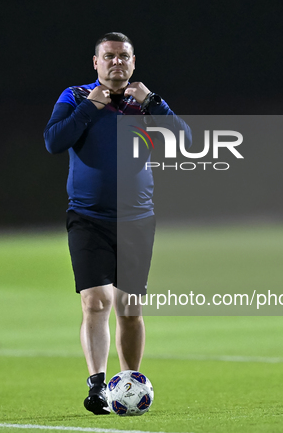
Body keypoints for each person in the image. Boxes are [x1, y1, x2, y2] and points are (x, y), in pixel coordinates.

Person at [44, 32, 183, 415]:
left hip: (137, 219)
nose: (116, 62)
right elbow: (54, 141)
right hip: (88, 217)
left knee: (130, 307)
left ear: (133, 62)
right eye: (109, 56)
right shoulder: (75, 96)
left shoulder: (145, 102)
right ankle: (96, 385)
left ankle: (130, 384)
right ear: (96, 62)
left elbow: (185, 139)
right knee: (96, 300)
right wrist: (90, 107)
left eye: (123, 56)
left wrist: (153, 102)